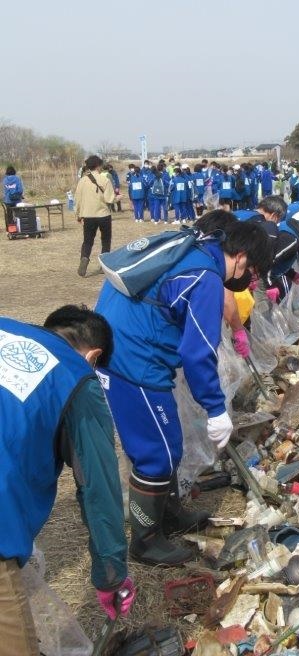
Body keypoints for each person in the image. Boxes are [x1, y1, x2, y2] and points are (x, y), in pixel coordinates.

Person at [95, 216, 272, 566]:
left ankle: (168, 513)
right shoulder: (206, 278)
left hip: (121, 338)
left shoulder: (194, 249)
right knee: (155, 453)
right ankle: (145, 541)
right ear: (239, 257)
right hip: (132, 359)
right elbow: (197, 351)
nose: (247, 279)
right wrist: (216, 408)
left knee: (167, 441)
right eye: (250, 271)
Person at [0, 305, 134, 654]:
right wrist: (111, 575)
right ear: (94, 356)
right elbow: (98, 488)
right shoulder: (77, 377)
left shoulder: (6, 328)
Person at [74, 155, 115, 277]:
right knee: (106, 240)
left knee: (87, 241)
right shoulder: (105, 180)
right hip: (103, 215)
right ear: (98, 166)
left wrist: (78, 214)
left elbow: (78, 199)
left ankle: (85, 258)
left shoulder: (82, 181)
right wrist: (118, 197)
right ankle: (104, 266)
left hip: (88, 215)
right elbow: (109, 198)